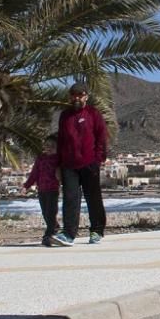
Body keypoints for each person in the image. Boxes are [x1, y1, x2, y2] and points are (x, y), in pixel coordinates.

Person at [53, 82, 108, 246]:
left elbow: (101, 137)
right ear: (70, 96)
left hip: (90, 164)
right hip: (69, 165)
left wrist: (98, 159)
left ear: (86, 96)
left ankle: (96, 231)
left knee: (93, 198)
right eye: (74, 94)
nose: (76, 97)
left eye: (80, 94)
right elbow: (61, 141)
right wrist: (58, 165)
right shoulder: (65, 116)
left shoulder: (93, 114)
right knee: (70, 198)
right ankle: (69, 234)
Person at [23, 134, 61, 246]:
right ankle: (54, 226)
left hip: (53, 190)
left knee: (51, 212)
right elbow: (34, 173)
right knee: (45, 212)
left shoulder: (59, 159)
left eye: (53, 146)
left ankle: (48, 235)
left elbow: (62, 173)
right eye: (47, 145)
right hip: (41, 190)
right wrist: (26, 185)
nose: (49, 148)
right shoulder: (41, 158)